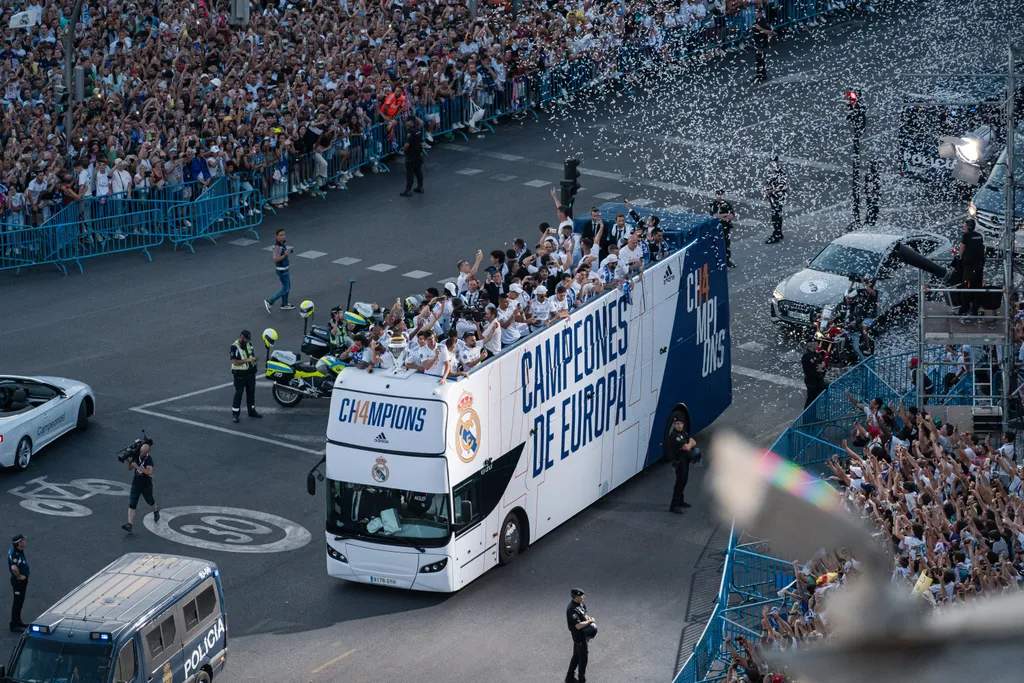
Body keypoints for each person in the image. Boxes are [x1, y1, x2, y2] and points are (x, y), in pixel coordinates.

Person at [122, 442, 158, 533]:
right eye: (141, 451)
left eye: (143, 452)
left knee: (150, 500)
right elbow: (129, 468)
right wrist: (126, 459)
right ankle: (129, 524)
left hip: (146, 485)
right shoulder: (136, 455)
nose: (141, 453)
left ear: (146, 453)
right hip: (136, 484)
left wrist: (137, 467)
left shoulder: (149, 459)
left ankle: (155, 509)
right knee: (132, 503)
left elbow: (149, 472)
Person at [665, 418, 700, 513]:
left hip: (685, 461)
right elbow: (688, 447)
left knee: (684, 481)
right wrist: (690, 443)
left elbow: (694, 442)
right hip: (679, 462)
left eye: (681, 423)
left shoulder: (683, 433)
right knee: (679, 483)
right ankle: (674, 505)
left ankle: (680, 500)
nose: (679, 425)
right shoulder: (674, 436)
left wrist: (690, 443)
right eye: (677, 424)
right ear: (674, 425)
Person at [230, 330, 262, 423]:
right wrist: (249, 360)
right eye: (246, 339)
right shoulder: (234, 347)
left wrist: (254, 361)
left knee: (251, 393)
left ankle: (251, 411)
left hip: (250, 373)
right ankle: (235, 414)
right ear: (241, 337)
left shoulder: (249, 344)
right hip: (240, 374)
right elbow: (234, 362)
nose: (247, 341)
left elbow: (251, 355)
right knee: (239, 394)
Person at [957, 218, 985, 318]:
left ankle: (964, 308)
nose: (963, 228)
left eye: (964, 226)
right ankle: (975, 309)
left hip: (969, 267)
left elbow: (962, 248)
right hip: (979, 267)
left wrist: (960, 257)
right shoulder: (979, 236)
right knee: (977, 287)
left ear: (968, 227)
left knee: (966, 287)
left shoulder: (966, 236)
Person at [566, 588, 595, 683]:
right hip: (579, 637)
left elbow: (583, 616)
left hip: (583, 635)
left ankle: (569, 677)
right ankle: (581, 680)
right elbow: (577, 626)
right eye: (581, 596)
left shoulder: (581, 604)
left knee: (576, 656)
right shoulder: (571, 609)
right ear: (576, 597)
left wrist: (588, 618)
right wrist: (589, 621)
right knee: (583, 659)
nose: (583, 597)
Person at [265, 228, 296, 312]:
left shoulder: (282, 244)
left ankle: (284, 304)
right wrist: (285, 255)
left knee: (287, 286)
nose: (283, 236)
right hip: (282, 270)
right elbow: (275, 259)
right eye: (281, 235)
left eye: (284, 234)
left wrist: (286, 253)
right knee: (285, 288)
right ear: (277, 236)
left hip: (285, 269)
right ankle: (270, 301)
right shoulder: (277, 247)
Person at [763, 156, 788, 244]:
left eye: (774, 162)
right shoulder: (770, 172)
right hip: (772, 196)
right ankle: (778, 232)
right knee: (776, 214)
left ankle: (776, 234)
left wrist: (771, 191)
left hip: (779, 197)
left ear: (777, 162)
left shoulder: (781, 172)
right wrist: (766, 192)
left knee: (776, 215)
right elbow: (767, 182)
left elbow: (782, 185)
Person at [709, 189, 736, 267]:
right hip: (716, 228)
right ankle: (718, 262)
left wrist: (721, 216)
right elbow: (714, 216)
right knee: (717, 245)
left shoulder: (727, 204)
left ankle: (727, 260)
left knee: (726, 244)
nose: (720, 197)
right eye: (718, 195)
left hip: (726, 227)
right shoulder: (713, 204)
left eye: (721, 195)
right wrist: (725, 215)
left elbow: (731, 216)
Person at [399, 117, 425, 197]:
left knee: (409, 172)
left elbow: (407, 144)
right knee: (418, 171)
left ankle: (408, 190)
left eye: (407, 121)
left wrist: (404, 150)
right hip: (418, 154)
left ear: (411, 122)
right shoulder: (417, 129)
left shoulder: (410, 131)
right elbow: (421, 122)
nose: (406, 122)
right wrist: (414, 116)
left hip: (411, 155)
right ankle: (420, 187)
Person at [8, 534, 28, 632]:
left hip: (20, 581)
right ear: (19, 543)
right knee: (17, 603)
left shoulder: (16, 549)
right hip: (18, 582)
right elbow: (14, 567)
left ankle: (18, 621)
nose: (24, 541)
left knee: (19, 602)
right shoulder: (15, 554)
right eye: (23, 540)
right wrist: (20, 577)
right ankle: (14, 625)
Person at [801, 341, 827, 408]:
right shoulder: (806, 356)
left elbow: (823, 362)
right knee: (811, 400)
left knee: (815, 399)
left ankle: (813, 415)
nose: (818, 345)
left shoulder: (815, 353)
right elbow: (812, 370)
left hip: (818, 379)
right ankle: (808, 417)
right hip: (812, 382)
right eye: (816, 344)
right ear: (812, 345)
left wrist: (822, 366)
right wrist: (820, 367)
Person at [751, 8, 773, 84]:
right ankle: (759, 74)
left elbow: (769, 32)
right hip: (757, 42)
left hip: (762, 42)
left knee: (761, 59)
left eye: (758, 12)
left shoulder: (764, 21)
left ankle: (762, 74)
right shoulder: (757, 21)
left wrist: (760, 29)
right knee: (758, 59)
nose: (757, 14)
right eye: (756, 12)